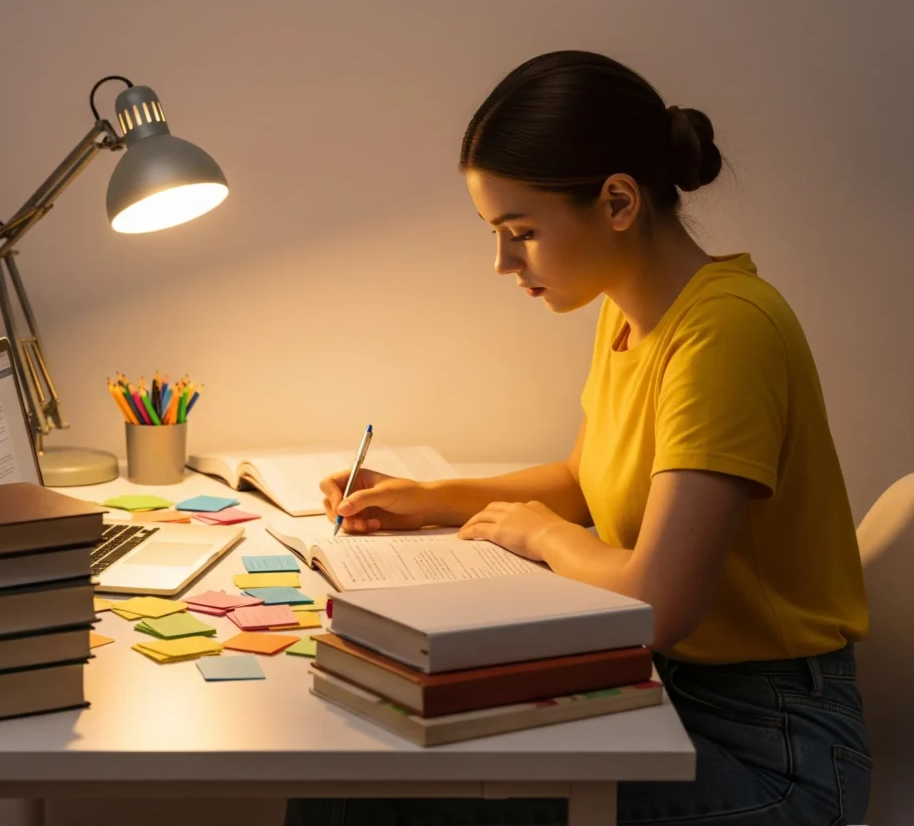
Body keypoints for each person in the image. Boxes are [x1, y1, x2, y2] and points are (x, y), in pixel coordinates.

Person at [285, 51, 871, 826]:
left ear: (619, 201)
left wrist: (544, 535)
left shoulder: (726, 334)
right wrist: (424, 501)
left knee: (367, 801)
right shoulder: (630, 313)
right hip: (663, 693)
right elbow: (584, 475)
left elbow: (659, 604)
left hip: (772, 751)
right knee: (357, 774)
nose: (502, 262)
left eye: (521, 231)